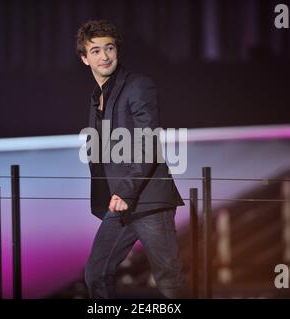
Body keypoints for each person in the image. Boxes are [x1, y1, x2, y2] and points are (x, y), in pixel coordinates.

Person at [76, 20, 188, 299]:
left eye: (109, 48)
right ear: (84, 58)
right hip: (120, 204)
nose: (104, 56)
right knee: (96, 273)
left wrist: (126, 189)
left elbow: (146, 141)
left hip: (148, 201)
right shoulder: (97, 96)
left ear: (117, 51)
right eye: (96, 50)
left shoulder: (138, 85)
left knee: (168, 279)